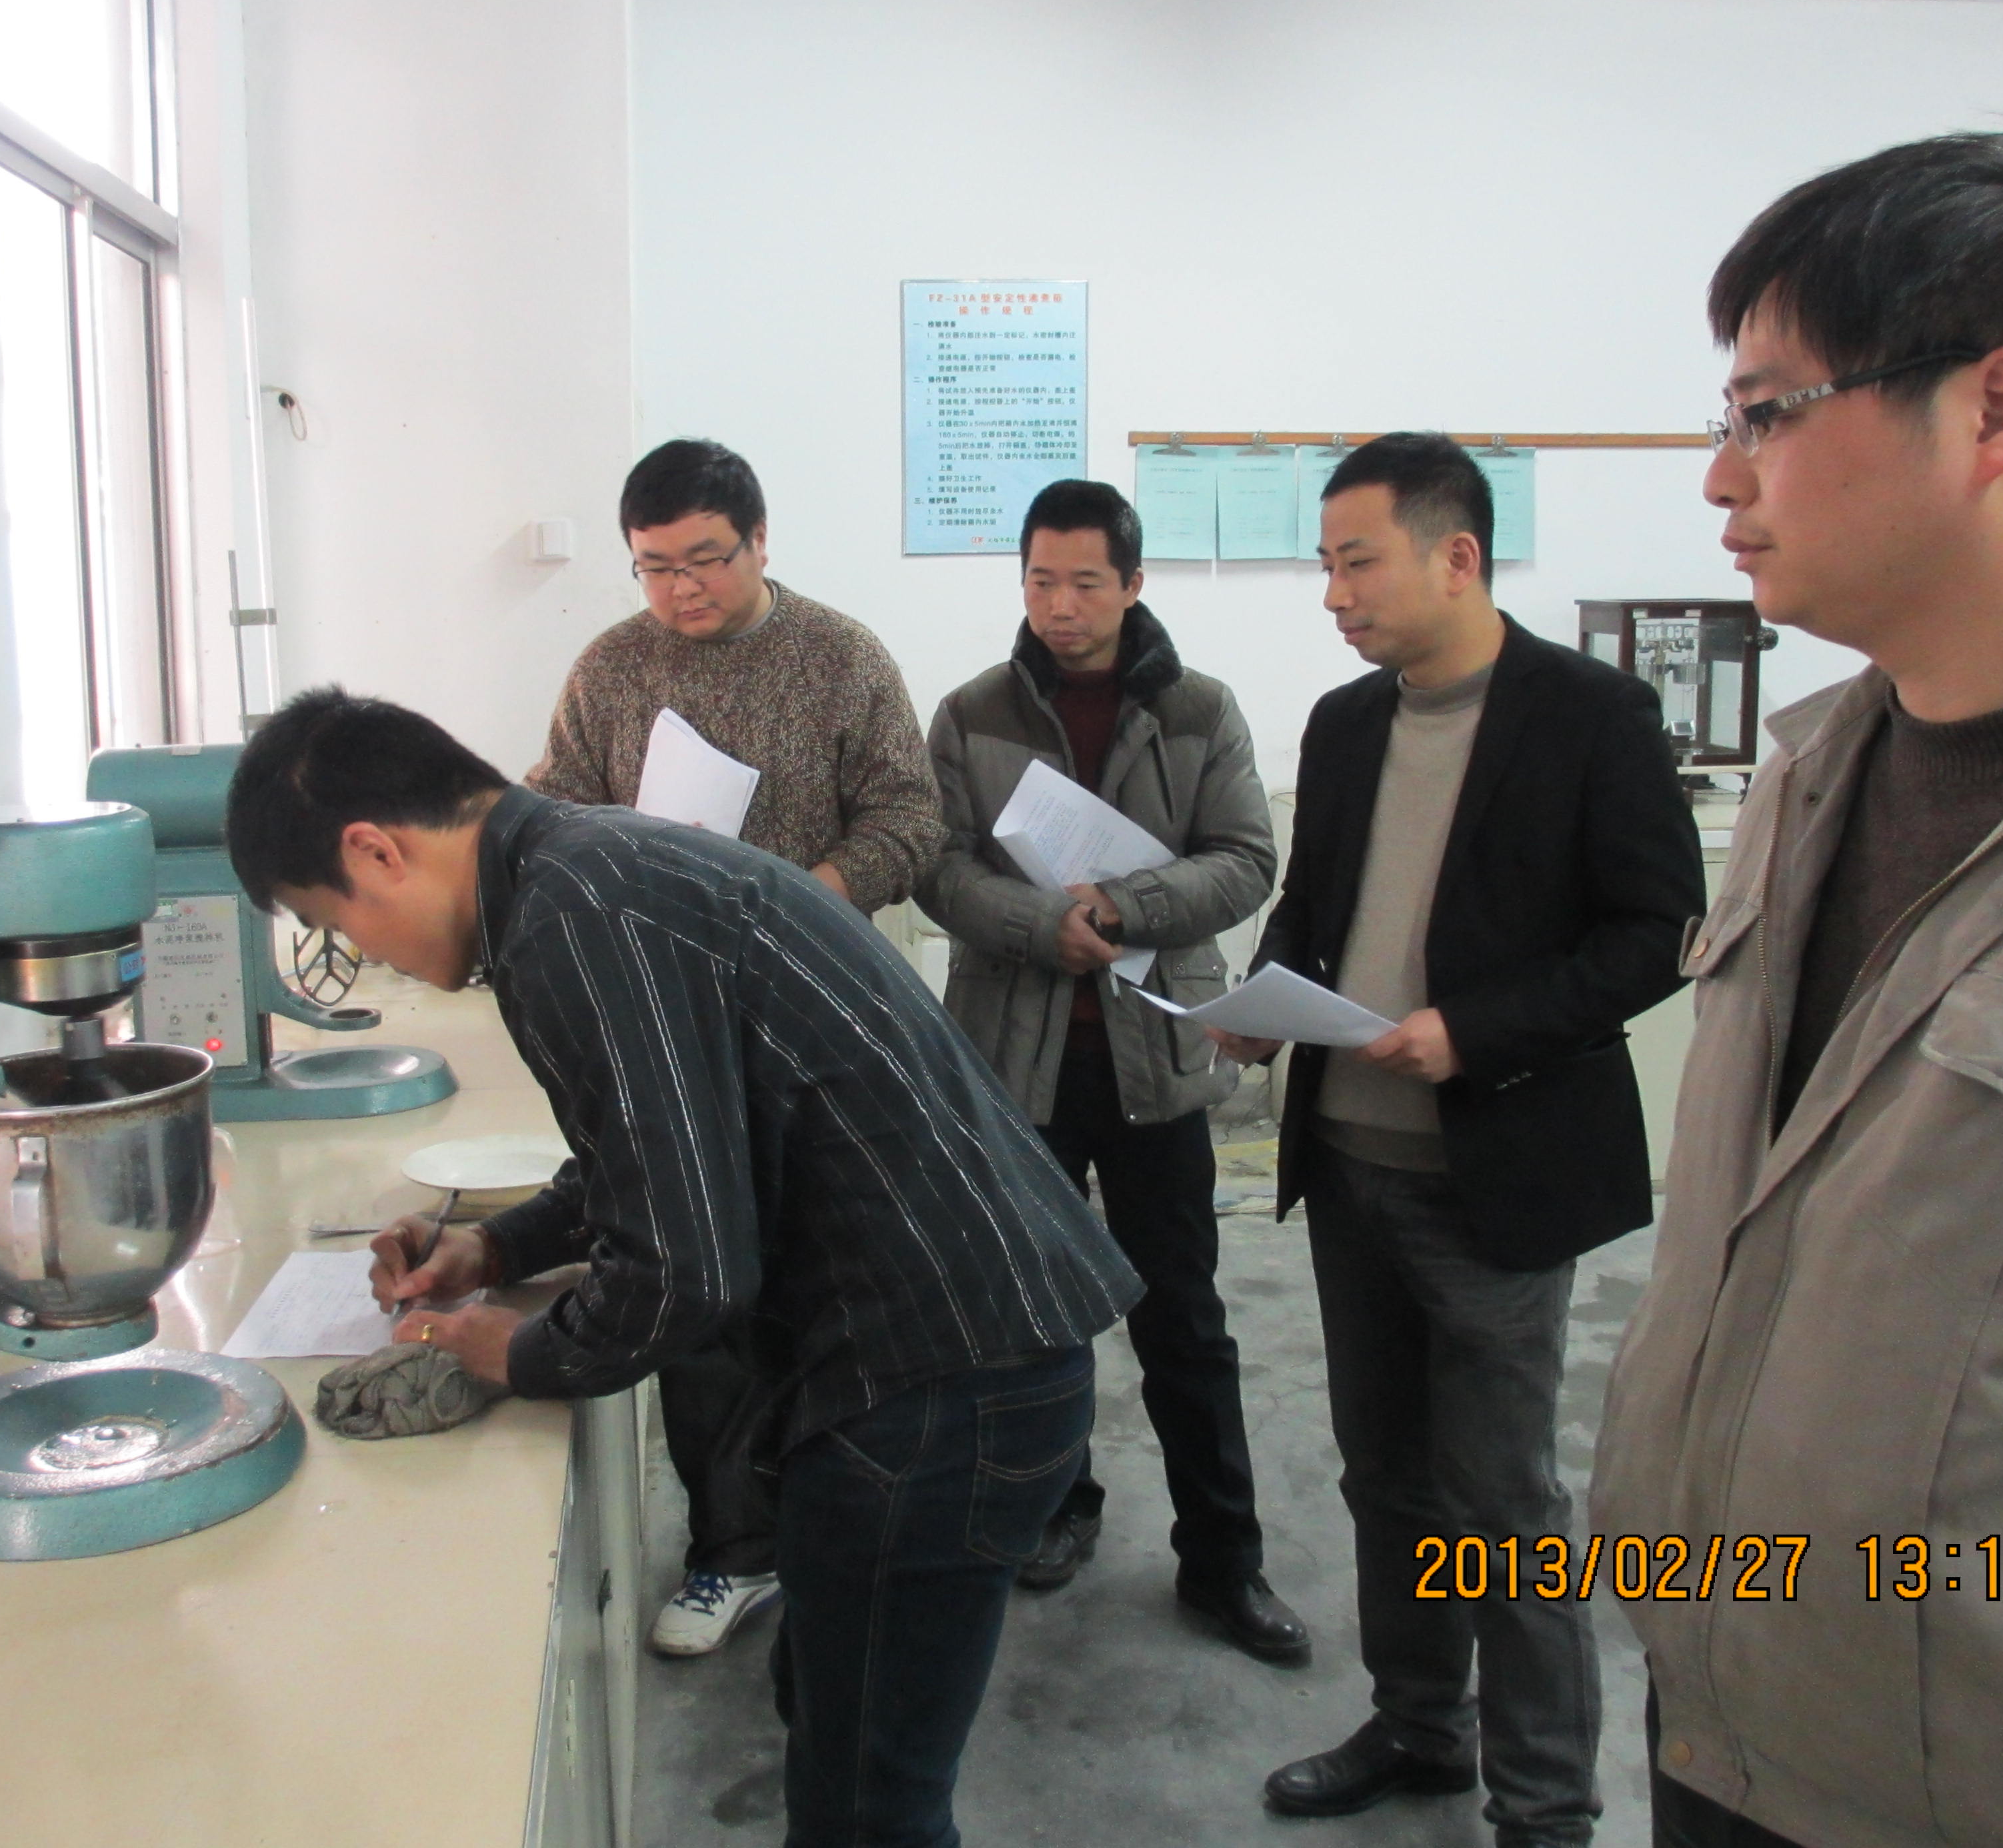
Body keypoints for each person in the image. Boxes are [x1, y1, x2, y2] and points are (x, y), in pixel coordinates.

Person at [1595, 133, 2003, 1848]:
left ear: (1992, 411)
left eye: (1765, 412)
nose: (1717, 478)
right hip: (1720, 1710)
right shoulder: (1810, 774)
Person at [226, 688, 1141, 1848]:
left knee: (872, 1811)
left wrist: (524, 1353)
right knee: (835, 1725)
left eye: (340, 925)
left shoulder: (570, 916)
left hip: (940, 1382)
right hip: (953, 1348)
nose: (365, 954)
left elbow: (687, 1271)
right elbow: (668, 1149)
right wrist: (499, 1246)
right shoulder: (586, 868)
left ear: (375, 851)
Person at [1222, 433, 1701, 1845]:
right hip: (1348, 1165)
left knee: (1503, 1508)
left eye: (1355, 562)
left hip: (1491, 1180)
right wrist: (1265, 999)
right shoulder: (1343, 725)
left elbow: (1656, 933)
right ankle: (1422, 1725)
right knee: (1385, 1479)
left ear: (1457, 556)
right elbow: (1313, 906)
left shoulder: (1590, 716)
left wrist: (1473, 1032)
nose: (1333, 594)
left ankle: (1545, 1810)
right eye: (1324, 565)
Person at [531, 436, 947, 1657]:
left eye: (706, 560)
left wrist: (806, 896)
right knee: (701, 1292)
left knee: (833, 1289)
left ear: (761, 541)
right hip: (669, 1026)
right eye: (655, 567)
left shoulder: (840, 658)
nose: (682, 590)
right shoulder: (613, 669)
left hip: (816, 1023)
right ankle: (732, 1549)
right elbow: (552, 810)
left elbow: (909, 816)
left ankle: (847, 1530)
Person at [915, 478, 1306, 1663]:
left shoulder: (1200, 710)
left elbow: (1246, 859)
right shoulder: (971, 714)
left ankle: (1224, 1561)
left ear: (1134, 584)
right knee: (1032, 1319)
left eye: (1086, 582)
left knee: (1182, 1320)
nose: (1061, 606)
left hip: (1153, 1068)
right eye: (1041, 581)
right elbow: (936, 866)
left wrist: (1126, 905)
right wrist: (1043, 924)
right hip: (1015, 1071)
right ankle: (1057, 1508)